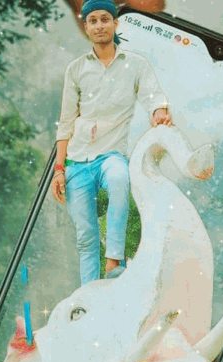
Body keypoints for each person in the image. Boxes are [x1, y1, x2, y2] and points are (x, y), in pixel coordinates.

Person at [51, 0, 173, 286]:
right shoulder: (76, 69)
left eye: (105, 19)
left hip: (110, 156)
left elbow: (153, 96)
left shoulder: (135, 65)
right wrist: (58, 169)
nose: (99, 26)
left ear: (115, 23)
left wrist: (159, 112)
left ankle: (114, 262)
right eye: (93, 21)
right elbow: (65, 122)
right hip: (77, 160)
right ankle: (89, 292)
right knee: (86, 238)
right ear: (85, 26)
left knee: (119, 178)